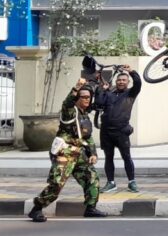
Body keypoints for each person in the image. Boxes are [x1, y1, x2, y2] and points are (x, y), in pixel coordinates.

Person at [28, 78, 105, 222]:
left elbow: (87, 137)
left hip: (79, 153)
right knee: (57, 183)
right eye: (83, 97)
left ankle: (91, 208)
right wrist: (76, 87)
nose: (87, 100)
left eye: (88, 97)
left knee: (92, 178)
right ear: (77, 98)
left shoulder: (84, 115)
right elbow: (67, 103)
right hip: (65, 153)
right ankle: (37, 208)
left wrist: (93, 153)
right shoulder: (70, 112)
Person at [96, 65, 142, 193]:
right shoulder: (109, 93)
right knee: (108, 157)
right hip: (106, 132)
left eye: (124, 80)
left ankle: (132, 182)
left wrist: (131, 71)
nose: (121, 82)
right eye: (119, 80)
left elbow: (138, 82)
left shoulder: (130, 93)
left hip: (121, 131)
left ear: (127, 82)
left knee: (126, 157)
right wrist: (102, 91)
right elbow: (98, 104)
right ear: (116, 82)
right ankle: (111, 183)